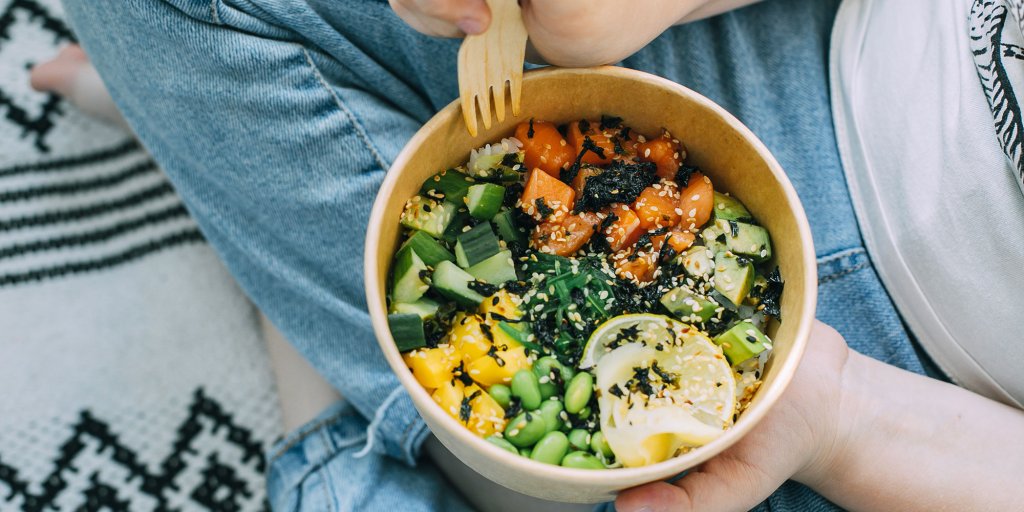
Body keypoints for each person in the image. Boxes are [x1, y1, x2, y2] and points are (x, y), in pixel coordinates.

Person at [36, 0, 1024, 510]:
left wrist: (847, 416)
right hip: (802, 55)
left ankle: (282, 283)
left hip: (918, 432)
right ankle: (253, 183)